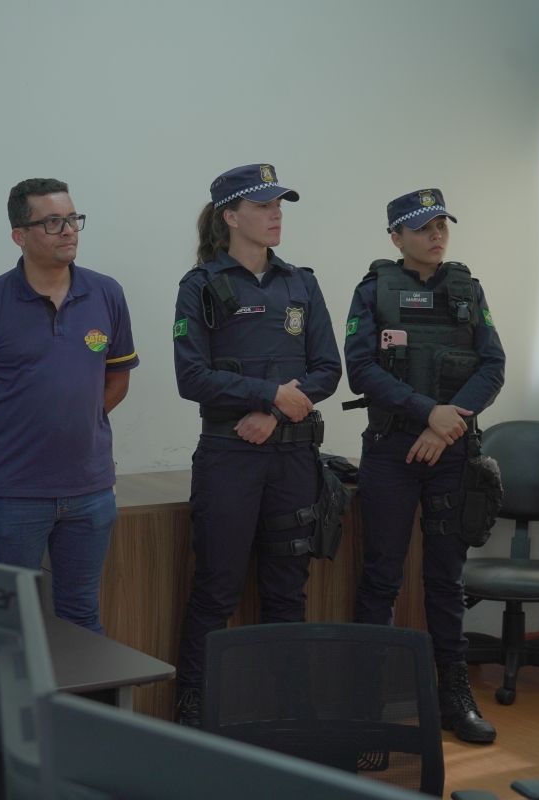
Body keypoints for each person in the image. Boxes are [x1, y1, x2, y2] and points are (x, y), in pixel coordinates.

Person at [171, 164, 342, 727]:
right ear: (230, 216)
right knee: (216, 591)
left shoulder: (301, 283)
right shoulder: (201, 286)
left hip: (294, 460)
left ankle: (292, 717)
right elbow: (191, 377)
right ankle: (195, 708)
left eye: (279, 206)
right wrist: (269, 393)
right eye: (264, 206)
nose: (276, 215)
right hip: (230, 460)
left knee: (288, 592)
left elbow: (327, 368)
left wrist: (271, 410)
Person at [0, 178, 138, 634]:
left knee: (81, 612)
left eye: (72, 219)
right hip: (16, 495)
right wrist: (7, 447)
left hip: (90, 491)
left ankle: (79, 687)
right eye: (52, 222)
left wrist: (81, 428)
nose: (68, 230)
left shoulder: (106, 294)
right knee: (14, 621)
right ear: (20, 235)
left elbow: (118, 379)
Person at [346, 188, 505, 743]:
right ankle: (366, 703)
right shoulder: (372, 290)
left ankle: (454, 697)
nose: (436, 236)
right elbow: (361, 370)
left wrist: (445, 425)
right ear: (396, 237)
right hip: (392, 452)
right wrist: (427, 413)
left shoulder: (467, 288)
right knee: (381, 578)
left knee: (445, 581)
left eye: (442, 225)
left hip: (451, 453)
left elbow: (492, 365)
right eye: (422, 228)